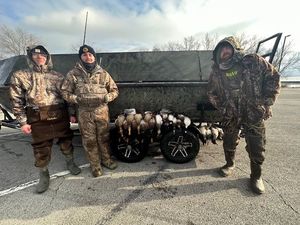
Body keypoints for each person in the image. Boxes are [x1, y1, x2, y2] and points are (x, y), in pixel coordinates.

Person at [207, 36, 280, 194]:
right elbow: (212, 93)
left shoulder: (252, 61)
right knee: (228, 139)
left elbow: (273, 77)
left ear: (235, 48)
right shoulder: (217, 70)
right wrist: (223, 107)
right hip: (231, 113)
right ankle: (229, 164)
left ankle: (256, 176)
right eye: (221, 49)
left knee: (257, 144)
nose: (225, 51)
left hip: (253, 111)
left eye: (228, 47)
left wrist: (267, 102)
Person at [10, 45, 81, 194]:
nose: (39, 57)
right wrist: (23, 122)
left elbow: (66, 96)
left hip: (59, 114)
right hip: (37, 116)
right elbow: (16, 100)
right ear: (30, 57)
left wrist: (72, 113)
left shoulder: (58, 76)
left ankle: (70, 162)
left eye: (43, 55)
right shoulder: (21, 75)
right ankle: (43, 174)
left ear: (47, 57)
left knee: (66, 141)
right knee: (41, 147)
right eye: (36, 55)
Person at [61, 44, 119, 177]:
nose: (88, 57)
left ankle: (106, 160)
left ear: (94, 57)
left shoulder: (103, 74)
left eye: (90, 55)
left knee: (104, 138)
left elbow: (115, 90)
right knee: (89, 140)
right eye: (84, 55)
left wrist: (107, 97)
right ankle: (95, 166)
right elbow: (65, 92)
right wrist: (76, 99)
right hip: (84, 113)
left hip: (101, 111)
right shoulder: (73, 74)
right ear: (81, 57)